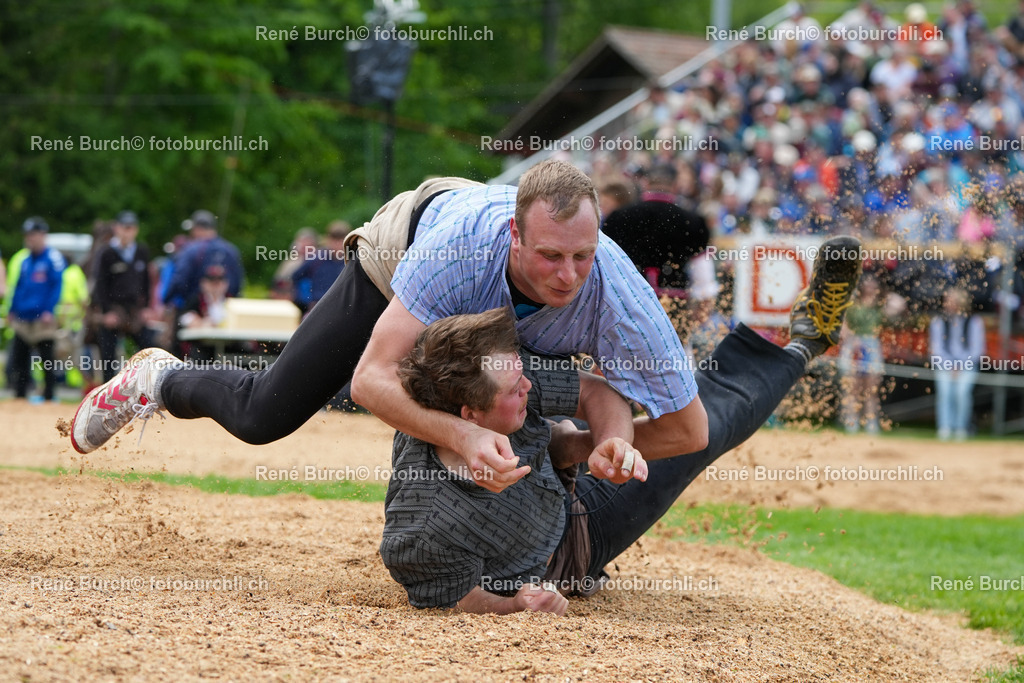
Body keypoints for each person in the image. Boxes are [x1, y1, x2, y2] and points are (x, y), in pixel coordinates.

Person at [69, 161, 861, 503]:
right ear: (515, 241)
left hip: (499, 327)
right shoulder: (457, 253)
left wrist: (598, 444)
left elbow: (683, 428)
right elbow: (376, 377)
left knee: (538, 418)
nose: (567, 274)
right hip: (406, 251)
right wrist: (451, 431)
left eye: (583, 256)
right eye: (550, 256)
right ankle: (157, 379)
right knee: (265, 416)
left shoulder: (612, 291)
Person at [3, 218, 65, 402]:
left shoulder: (52, 258)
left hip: (43, 319)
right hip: (23, 316)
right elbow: (19, 287)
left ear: (42, 235)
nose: (29, 239)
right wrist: (12, 309)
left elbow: (56, 286)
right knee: (19, 360)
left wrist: (49, 310)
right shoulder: (25, 260)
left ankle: (49, 395)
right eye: (27, 235)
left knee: (47, 360)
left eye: (33, 235)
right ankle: (20, 396)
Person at [91, 211, 153, 382]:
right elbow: (100, 285)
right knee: (108, 355)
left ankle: (146, 386)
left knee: (149, 346)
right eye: (124, 228)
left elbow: (147, 281)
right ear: (116, 228)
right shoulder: (106, 252)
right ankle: (107, 392)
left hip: (134, 308)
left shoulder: (141, 251)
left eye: (131, 228)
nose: (128, 232)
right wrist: (106, 311)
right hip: (113, 307)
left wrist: (147, 307)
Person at [930, 288, 985, 441]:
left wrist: (961, 365)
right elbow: (936, 349)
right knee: (945, 393)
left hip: (966, 366)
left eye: (952, 301)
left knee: (962, 393)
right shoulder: (938, 321)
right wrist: (949, 365)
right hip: (944, 365)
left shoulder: (974, 321)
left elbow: (977, 350)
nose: (948, 304)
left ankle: (961, 428)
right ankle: (945, 428)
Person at [290, 222, 349, 314]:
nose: (337, 244)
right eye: (334, 239)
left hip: (342, 307)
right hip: (316, 306)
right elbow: (296, 276)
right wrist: (305, 301)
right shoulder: (317, 258)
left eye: (341, 240)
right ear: (328, 239)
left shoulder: (351, 261)